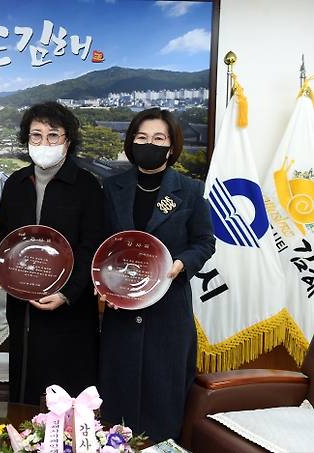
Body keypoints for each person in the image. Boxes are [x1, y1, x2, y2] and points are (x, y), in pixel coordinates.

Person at [98, 107, 215, 442]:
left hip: (168, 309)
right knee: (118, 393)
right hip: (122, 308)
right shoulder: (113, 187)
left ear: (171, 145)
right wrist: (103, 281)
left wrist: (180, 263)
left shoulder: (189, 190)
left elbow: (204, 242)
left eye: (158, 138)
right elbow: (103, 243)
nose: (149, 144)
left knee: (164, 395)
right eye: (142, 137)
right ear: (131, 142)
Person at [0, 101, 106, 404]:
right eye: (37, 135)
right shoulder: (16, 183)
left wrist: (67, 293)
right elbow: (7, 240)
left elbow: (92, 246)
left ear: (68, 141)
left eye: (53, 135)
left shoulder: (87, 186)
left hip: (70, 307)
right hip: (23, 304)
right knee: (26, 385)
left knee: (67, 390)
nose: (44, 143)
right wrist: (2, 270)